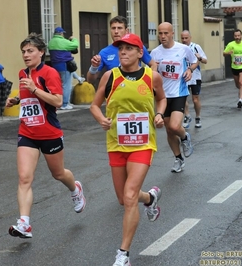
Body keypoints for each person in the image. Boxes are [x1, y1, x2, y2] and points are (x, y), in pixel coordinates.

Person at [90, 33, 166, 266]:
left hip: (143, 144)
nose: (122, 52)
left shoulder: (151, 77)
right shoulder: (109, 76)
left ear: (139, 53)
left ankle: (123, 254)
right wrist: (101, 118)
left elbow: (162, 99)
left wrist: (160, 114)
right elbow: (94, 105)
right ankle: (151, 198)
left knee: (130, 195)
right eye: (120, 48)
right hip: (116, 143)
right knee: (124, 199)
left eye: (128, 48)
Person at [6, 33, 86, 239]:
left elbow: (58, 101)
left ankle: (75, 188)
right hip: (27, 132)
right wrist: (16, 100)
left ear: (41, 52)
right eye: (23, 51)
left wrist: (35, 89)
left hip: (49, 132)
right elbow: (28, 97)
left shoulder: (49, 73)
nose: (26, 55)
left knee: (58, 174)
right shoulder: (22, 73)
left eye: (30, 51)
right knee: (24, 178)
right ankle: (24, 224)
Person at [150, 22, 196, 173]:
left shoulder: (183, 49)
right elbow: (150, 73)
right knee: (169, 131)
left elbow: (194, 61)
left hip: (179, 92)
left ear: (172, 33)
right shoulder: (155, 53)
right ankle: (178, 158)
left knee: (174, 126)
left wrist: (189, 69)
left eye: (165, 33)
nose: (162, 36)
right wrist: (153, 69)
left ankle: (184, 137)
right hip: (162, 96)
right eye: (160, 33)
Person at [86, 15, 156, 84]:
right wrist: (93, 67)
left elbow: (153, 65)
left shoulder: (136, 47)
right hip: (116, 91)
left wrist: (148, 82)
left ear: (126, 31)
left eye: (119, 28)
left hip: (136, 89)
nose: (116, 31)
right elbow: (90, 80)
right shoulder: (104, 52)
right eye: (113, 28)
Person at [181, 30, 207, 129]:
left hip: (195, 77)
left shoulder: (196, 47)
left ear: (190, 38)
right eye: (182, 38)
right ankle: (187, 116)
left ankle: (198, 117)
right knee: (182, 98)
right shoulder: (179, 48)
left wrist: (200, 58)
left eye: (186, 38)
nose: (184, 40)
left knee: (195, 99)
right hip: (183, 76)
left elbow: (205, 60)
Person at [48, 27, 79, 110]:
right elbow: (75, 45)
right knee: (66, 85)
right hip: (65, 65)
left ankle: (58, 102)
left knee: (59, 85)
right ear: (61, 33)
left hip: (55, 66)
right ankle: (64, 104)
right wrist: (73, 39)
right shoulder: (63, 41)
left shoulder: (51, 42)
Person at [223, 29, 242, 108]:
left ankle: (240, 100)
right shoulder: (230, 44)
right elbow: (224, 53)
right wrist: (228, 53)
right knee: (238, 84)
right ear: (234, 36)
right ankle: (241, 90)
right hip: (234, 67)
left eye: (238, 36)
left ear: (241, 36)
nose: (237, 37)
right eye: (236, 36)